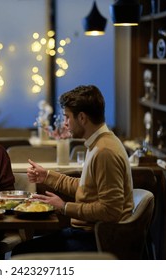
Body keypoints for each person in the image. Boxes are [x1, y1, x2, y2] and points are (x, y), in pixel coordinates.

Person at [11, 85, 134, 255]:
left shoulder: (105, 151)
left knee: (21, 253)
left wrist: (64, 207)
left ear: (82, 117)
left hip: (95, 239)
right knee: (23, 249)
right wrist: (46, 176)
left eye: (67, 117)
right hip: (87, 233)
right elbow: (87, 188)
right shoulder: (99, 143)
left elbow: (110, 211)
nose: (66, 124)